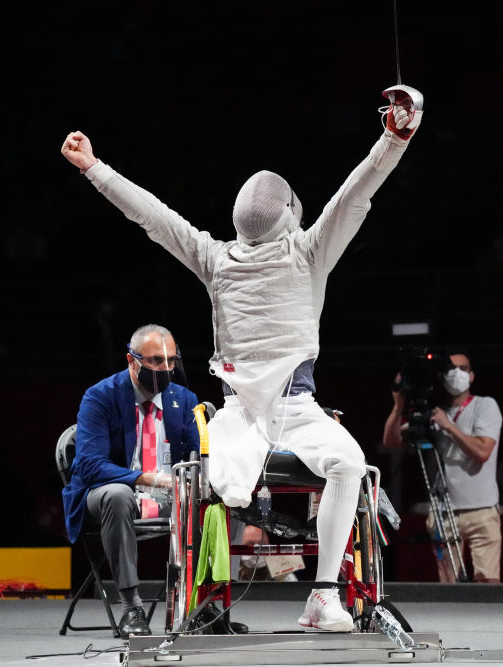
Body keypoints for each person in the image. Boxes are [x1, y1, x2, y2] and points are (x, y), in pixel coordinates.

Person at [60, 87, 422, 631]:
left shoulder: (225, 256)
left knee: (349, 465)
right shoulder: (300, 251)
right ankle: (208, 600)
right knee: (248, 481)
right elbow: (355, 194)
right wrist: (394, 138)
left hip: (294, 411)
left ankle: (323, 597)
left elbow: (154, 217)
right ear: (289, 214)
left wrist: (95, 168)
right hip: (242, 415)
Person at [61, 324, 199, 637]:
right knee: (118, 494)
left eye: (171, 361)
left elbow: (199, 458)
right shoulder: (100, 397)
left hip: (169, 497)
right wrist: (149, 478)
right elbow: (90, 466)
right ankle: (131, 607)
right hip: (110, 496)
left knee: (211, 494)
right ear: (131, 360)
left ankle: (202, 603)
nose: (165, 369)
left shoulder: (184, 399)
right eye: (155, 361)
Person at [383, 352, 503, 582]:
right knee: (449, 584)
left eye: (463, 368)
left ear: (472, 376)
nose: (456, 373)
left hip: (482, 510)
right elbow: (391, 441)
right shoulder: (436, 414)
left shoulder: (485, 406)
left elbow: (482, 452)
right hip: (443, 512)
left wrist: (449, 427)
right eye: (450, 369)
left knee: (488, 582)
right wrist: (398, 407)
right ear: (441, 377)